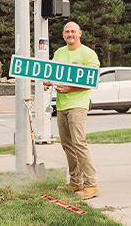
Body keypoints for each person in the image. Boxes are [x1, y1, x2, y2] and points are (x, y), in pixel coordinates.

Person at [43, 21, 100, 200]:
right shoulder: (59, 53)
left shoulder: (88, 54)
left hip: (77, 105)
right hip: (61, 106)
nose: (70, 34)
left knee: (79, 144)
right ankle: (76, 182)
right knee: (67, 145)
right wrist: (48, 81)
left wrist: (70, 89)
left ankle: (91, 184)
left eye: (73, 31)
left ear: (80, 33)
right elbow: (53, 74)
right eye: (67, 32)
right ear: (63, 34)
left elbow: (92, 81)